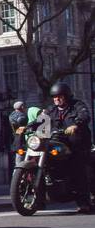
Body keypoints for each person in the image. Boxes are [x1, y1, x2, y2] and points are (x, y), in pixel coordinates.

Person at [41, 81, 92, 213]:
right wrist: (28, 126)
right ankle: (39, 198)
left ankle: (84, 202)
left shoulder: (77, 105)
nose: (56, 99)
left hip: (77, 144)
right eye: (54, 97)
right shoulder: (51, 109)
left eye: (60, 96)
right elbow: (41, 121)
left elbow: (85, 115)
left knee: (77, 167)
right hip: (56, 143)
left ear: (66, 96)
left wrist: (76, 124)